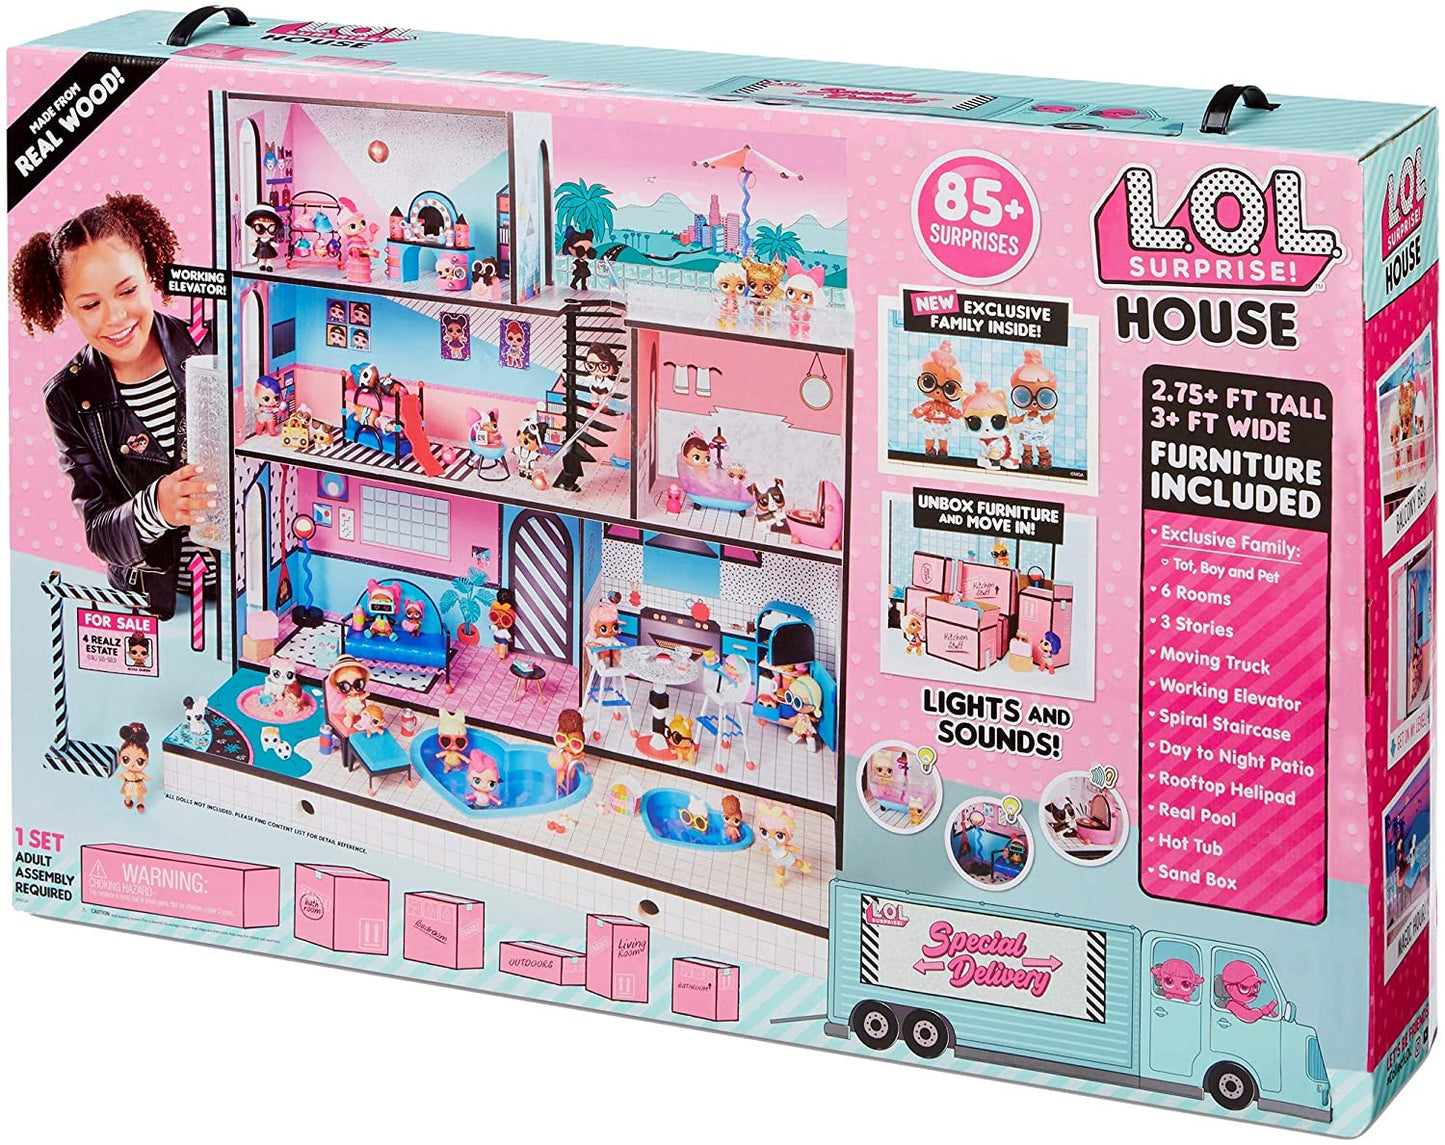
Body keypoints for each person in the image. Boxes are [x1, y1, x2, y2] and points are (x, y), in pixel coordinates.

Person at [11, 193, 217, 619]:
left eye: (128, 290)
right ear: (65, 305)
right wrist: (156, 507)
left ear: (149, 270)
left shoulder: (215, 345)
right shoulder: (68, 397)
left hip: (251, 589)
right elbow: (99, 530)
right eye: (90, 305)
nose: (116, 317)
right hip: (158, 604)